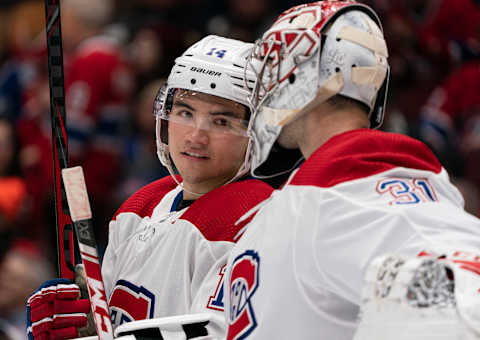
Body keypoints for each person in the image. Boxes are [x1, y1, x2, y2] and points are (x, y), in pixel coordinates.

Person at [222, 2, 480, 340]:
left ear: (304, 77)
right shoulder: (313, 195)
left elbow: (463, 289)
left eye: (274, 65)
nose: (264, 85)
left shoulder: (343, 192)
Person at [26, 35, 274, 340]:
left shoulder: (257, 218)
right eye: (185, 113)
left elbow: (219, 333)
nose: (196, 136)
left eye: (221, 121)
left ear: (260, 132)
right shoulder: (140, 206)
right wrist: (81, 326)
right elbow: (111, 324)